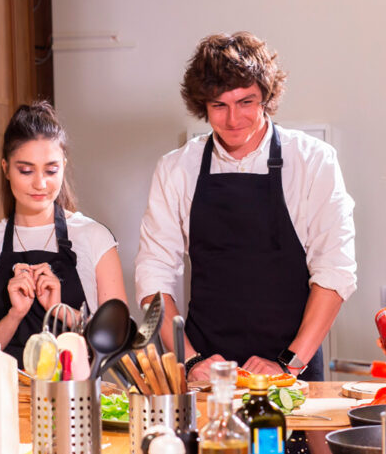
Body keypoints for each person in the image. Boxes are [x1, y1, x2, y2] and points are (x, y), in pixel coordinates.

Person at [134, 32, 357, 382]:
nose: (233, 119)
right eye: (219, 105)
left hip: (293, 365)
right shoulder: (176, 168)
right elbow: (153, 275)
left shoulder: (313, 161)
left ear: (266, 98)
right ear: (202, 105)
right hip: (206, 366)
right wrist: (190, 361)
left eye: (246, 102)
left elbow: (335, 272)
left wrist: (289, 364)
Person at [0, 101, 128, 366]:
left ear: (63, 165)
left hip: (77, 398)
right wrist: (14, 315)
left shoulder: (96, 239)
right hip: (7, 396)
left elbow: (117, 338)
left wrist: (61, 311)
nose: (40, 183)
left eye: (51, 170)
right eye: (26, 170)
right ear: (5, 168)